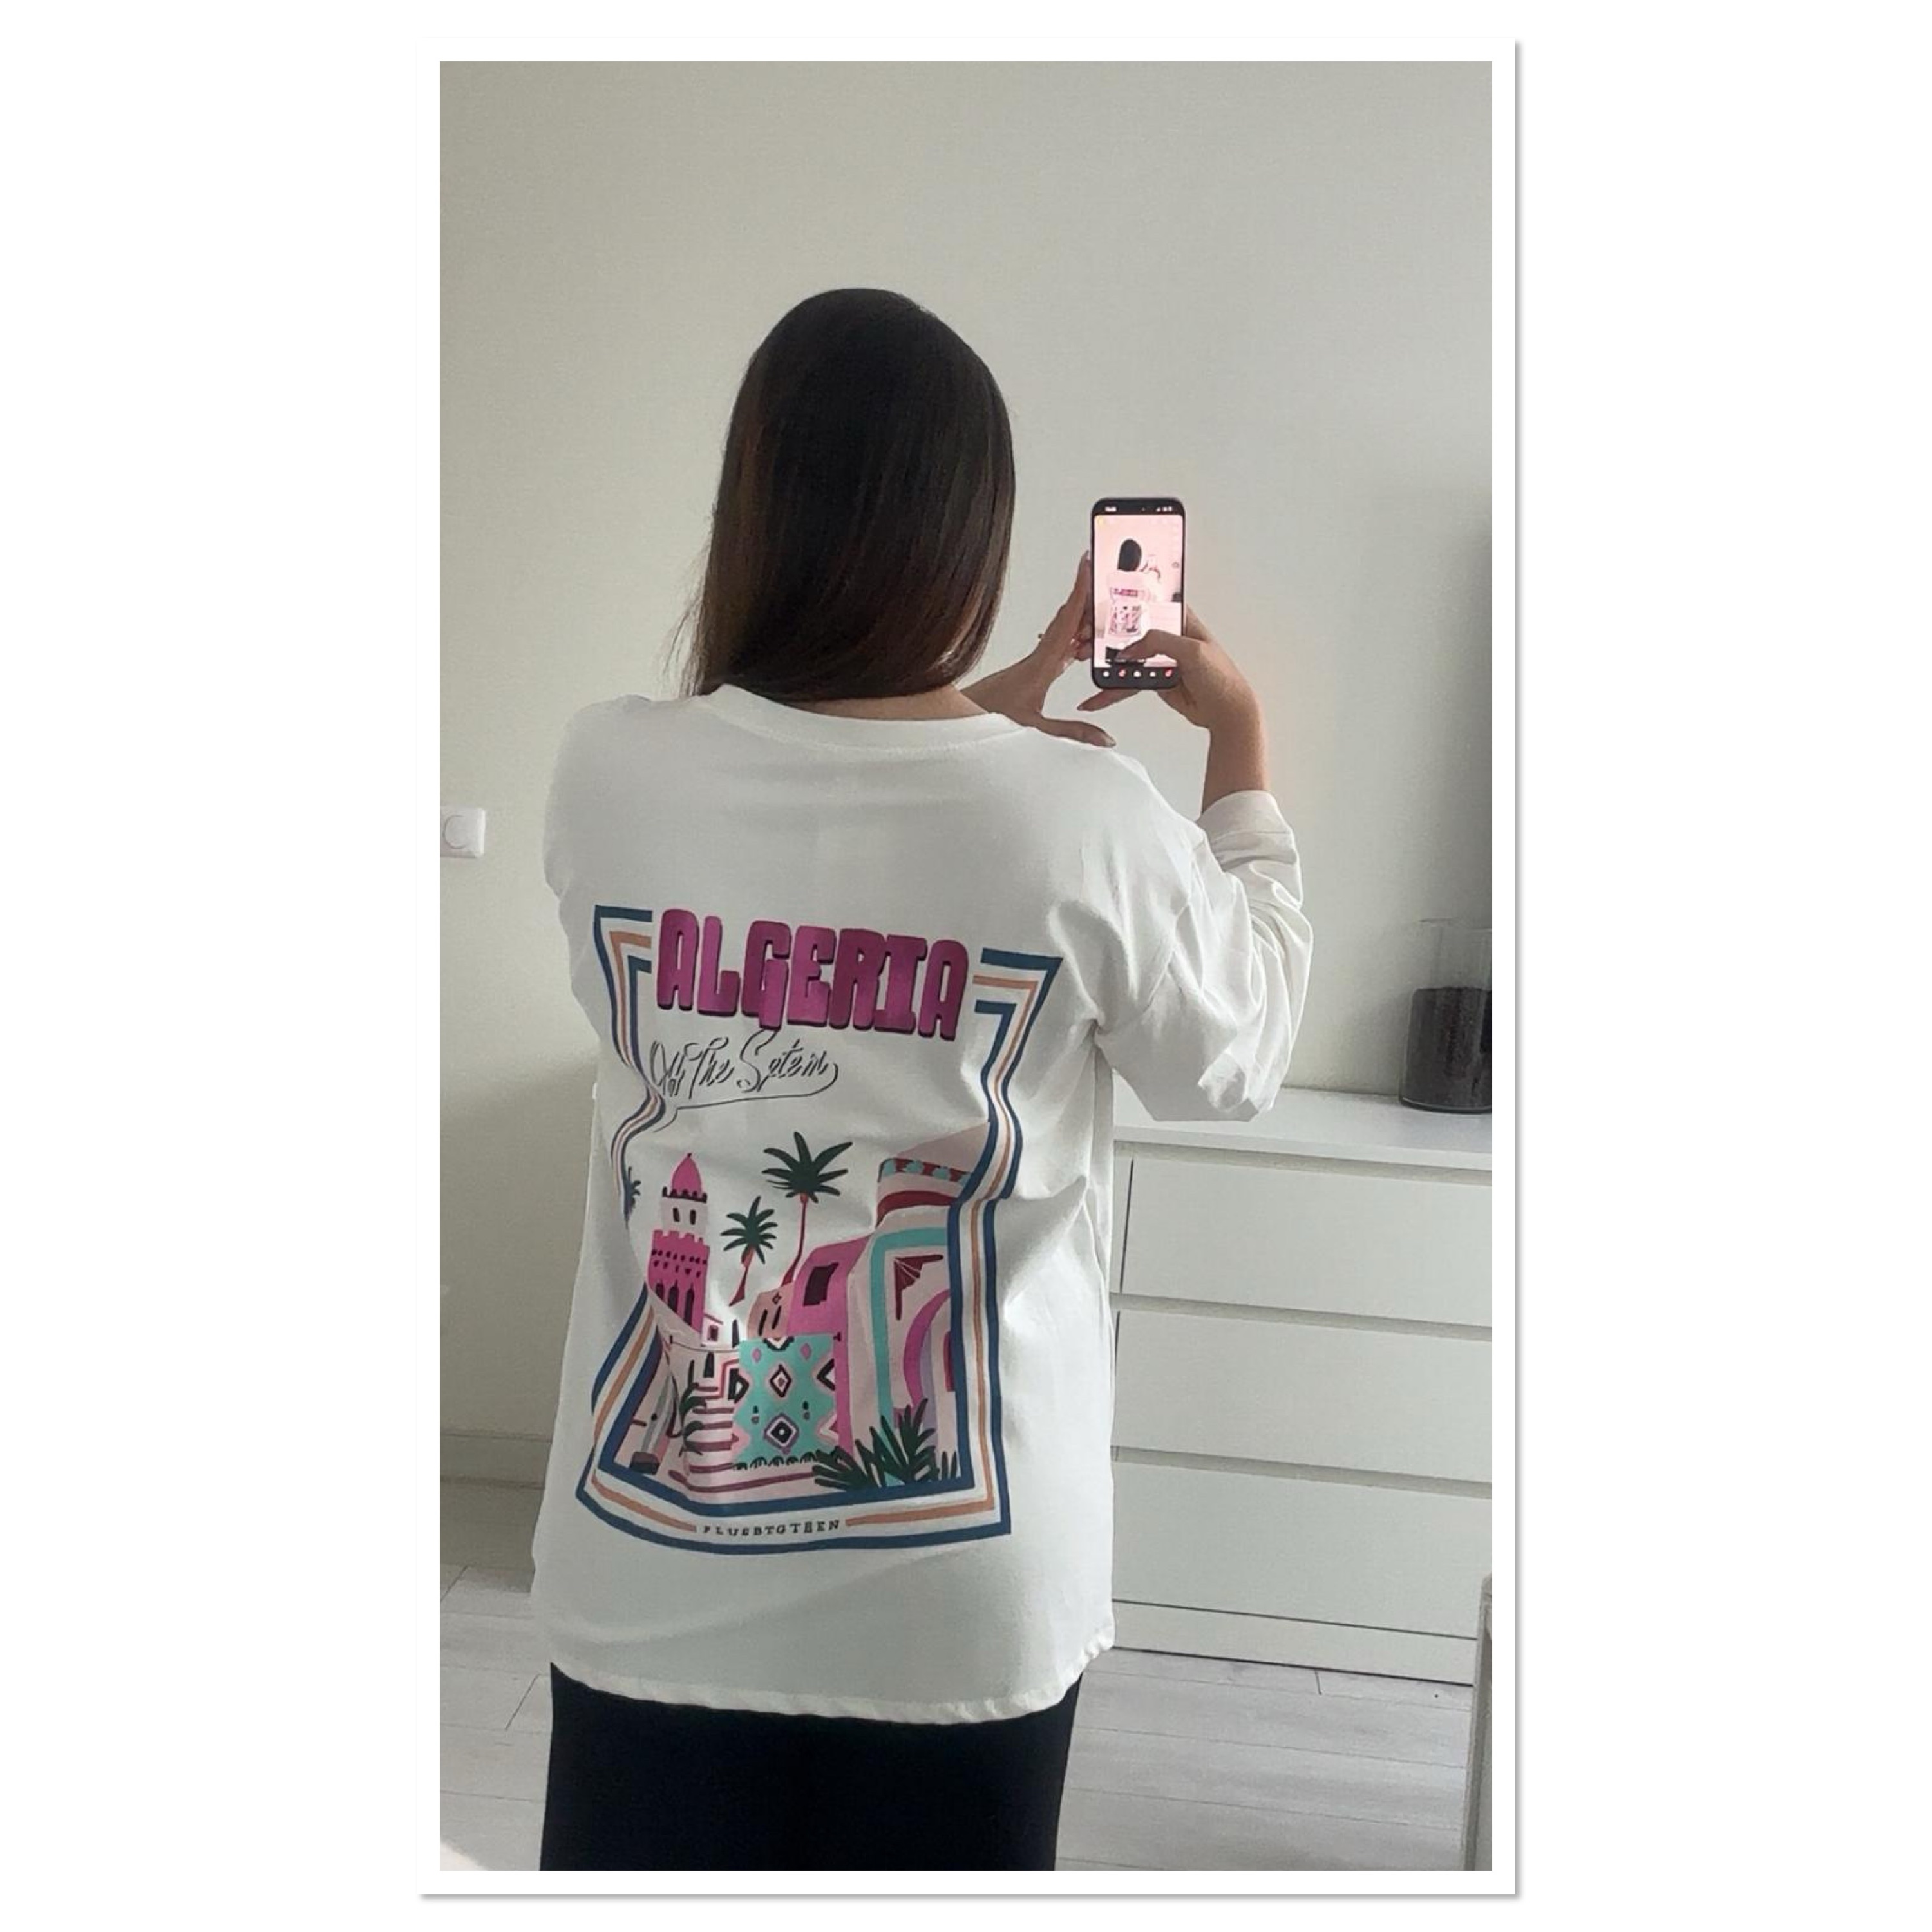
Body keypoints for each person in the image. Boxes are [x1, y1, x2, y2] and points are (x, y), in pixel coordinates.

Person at [531, 287, 1313, 1872]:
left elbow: (864, 793)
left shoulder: (609, 771)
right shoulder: (1086, 824)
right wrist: (1240, 744)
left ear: (753, 510)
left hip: (648, 1572)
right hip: (960, 1607)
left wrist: (1001, 698)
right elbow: (1235, 1060)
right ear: (973, 536)